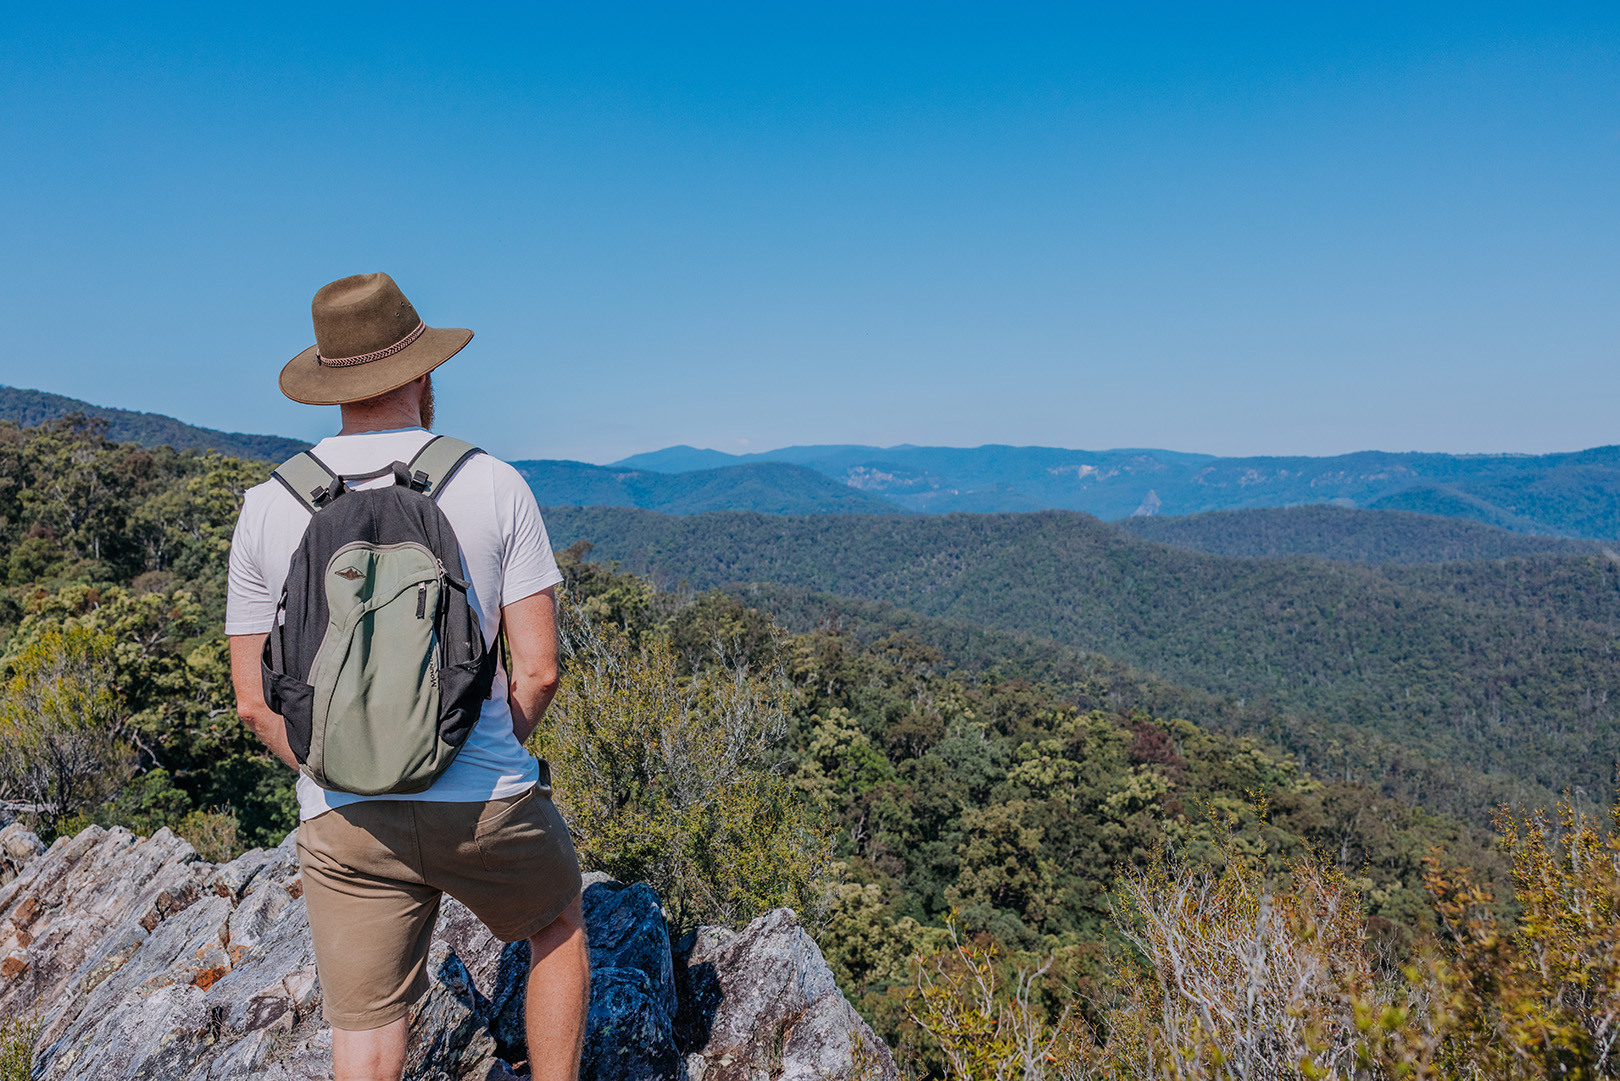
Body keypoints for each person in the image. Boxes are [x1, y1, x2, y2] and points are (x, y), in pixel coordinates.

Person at [226, 272, 588, 1081]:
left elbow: (254, 702)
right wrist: (461, 745)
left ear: (330, 384)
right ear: (422, 375)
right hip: (485, 797)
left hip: (344, 817)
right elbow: (540, 667)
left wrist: (348, 761)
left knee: (367, 1026)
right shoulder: (492, 482)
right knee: (559, 923)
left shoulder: (268, 503)